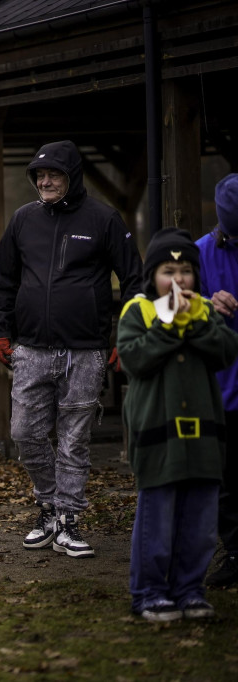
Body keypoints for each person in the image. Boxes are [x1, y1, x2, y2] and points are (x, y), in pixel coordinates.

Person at [0, 139, 142, 558]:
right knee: (25, 433)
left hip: (86, 351)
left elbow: (134, 280)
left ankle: (68, 520)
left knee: (74, 439)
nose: (45, 181)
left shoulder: (104, 219)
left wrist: (126, 336)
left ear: (72, 176)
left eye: (53, 174)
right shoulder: (23, 220)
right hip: (32, 348)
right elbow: (4, 280)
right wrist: (0, 333)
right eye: (39, 175)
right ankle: (49, 505)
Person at [117, 227, 238, 621]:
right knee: (159, 518)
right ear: (153, 275)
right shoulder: (139, 310)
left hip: (204, 433)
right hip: (157, 435)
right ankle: (150, 592)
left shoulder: (204, 311)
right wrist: (170, 325)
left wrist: (196, 321)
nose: (178, 279)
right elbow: (134, 359)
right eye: (168, 270)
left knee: (201, 522)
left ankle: (189, 589)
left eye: (185, 270)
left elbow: (225, 352)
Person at [197, 173, 238, 588]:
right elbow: (171, 307)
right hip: (221, 387)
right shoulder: (199, 254)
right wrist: (207, 304)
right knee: (226, 479)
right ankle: (236, 551)